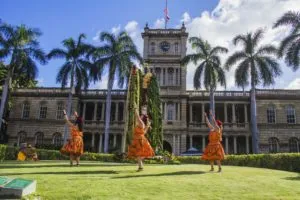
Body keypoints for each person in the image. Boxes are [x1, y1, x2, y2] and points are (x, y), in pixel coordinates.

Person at [127, 105, 155, 171]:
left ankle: (140, 167)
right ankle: (140, 166)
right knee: (138, 155)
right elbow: (144, 132)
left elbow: (137, 117)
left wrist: (135, 109)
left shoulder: (141, 123)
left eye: (141, 116)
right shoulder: (143, 124)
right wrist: (148, 126)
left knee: (138, 154)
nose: (140, 116)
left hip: (139, 140)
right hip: (140, 139)